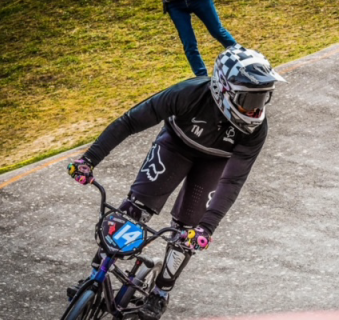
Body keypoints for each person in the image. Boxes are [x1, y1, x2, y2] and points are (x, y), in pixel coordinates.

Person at [67, 44, 285, 320]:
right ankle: (95, 274)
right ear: (222, 90)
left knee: (188, 232)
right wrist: (89, 160)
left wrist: (207, 228)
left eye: (263, 99)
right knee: (134, 210)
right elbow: (129, 122)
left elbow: (233, 179)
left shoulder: (257, 131)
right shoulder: (187, 94)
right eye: (250, 101)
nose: (256, 111)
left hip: (214, 164)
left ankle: (160, 293)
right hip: (175, 147)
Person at [163, 0, 236, 76]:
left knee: (219, 32)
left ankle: (244, 61)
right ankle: (202, 78)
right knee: (189, 44)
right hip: (174, 4)